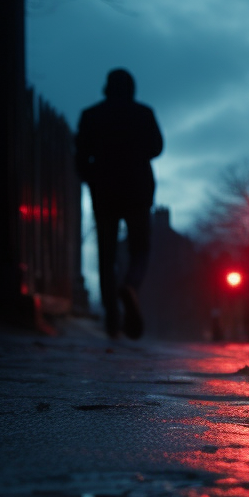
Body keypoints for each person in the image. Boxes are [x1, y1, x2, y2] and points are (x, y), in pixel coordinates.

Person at [76, 69, 164, 339]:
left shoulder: (91, 115)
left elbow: (80, 155)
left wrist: (91, 177)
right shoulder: (144, 113)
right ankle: (131, 285)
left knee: (106, 254)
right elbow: (157, 147)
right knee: (140, 249)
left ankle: (112, 319)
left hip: (105, 190)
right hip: (137, 190)